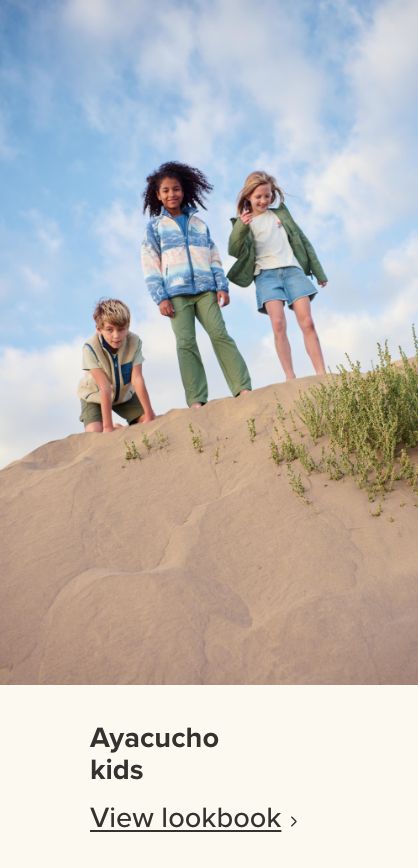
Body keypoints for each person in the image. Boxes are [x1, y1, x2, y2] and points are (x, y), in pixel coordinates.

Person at [141, 161, 251, 407]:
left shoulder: (199, 224)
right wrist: (160, 297)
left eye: (176, 189)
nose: (172, 194)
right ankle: (196, 399)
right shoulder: (155, 227)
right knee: (186, 343)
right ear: (158, 195)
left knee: (220, 334)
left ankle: (242, 387)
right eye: (166, 190)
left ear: (184, 191)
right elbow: (150, 263)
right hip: (175, 294)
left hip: (206, 290)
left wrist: (221, 285)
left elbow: (213, 255)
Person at [228, 170, 327, 380]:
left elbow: (303, 240)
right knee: (278, 324)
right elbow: (234, 250)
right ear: (248, 197)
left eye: (267, 195)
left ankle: (322, 374)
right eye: (258, 196)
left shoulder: (280, 215)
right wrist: (240, 227)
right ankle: (290, 378)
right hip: (266, 276)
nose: (264, 200)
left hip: (292, 271)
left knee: (307, 322)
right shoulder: (243, 222)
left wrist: (318, 272)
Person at [78, 298, 155, 432]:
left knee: (147, 422)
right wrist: (108, 427)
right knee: (95, 432)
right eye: (109, 330)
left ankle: (122, 427)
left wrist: (149, 414)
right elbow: (104, 387)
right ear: (99, 329)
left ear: (128, 327)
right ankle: (112, 426)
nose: (116, 335)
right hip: (95, 395)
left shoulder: (134, 342)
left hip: (124, 395)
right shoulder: (90, 348)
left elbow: (137, 379)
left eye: (121, 329)